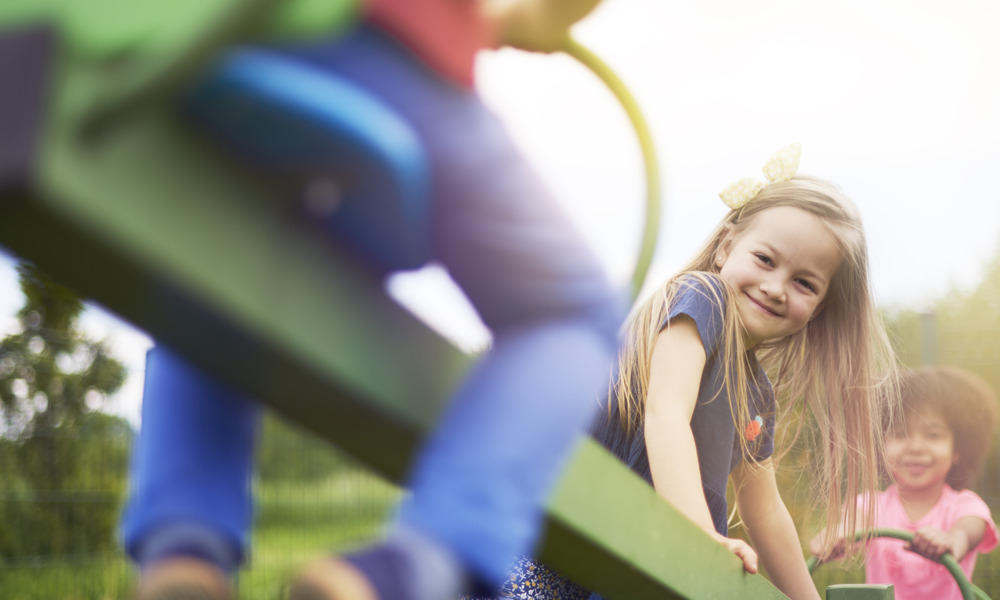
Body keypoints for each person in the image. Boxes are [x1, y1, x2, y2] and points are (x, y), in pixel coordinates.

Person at [120, 2, 627, 600]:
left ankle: (184, 554)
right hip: (377, 43)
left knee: (225, 254)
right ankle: (423, 563)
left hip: (183, 46)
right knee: (575, 311)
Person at [475, 144, 901, 600]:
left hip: (627, 566)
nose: (776, 287)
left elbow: (766, 511)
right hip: (554, 550)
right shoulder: (702, 297)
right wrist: (701, 536)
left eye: (804, 283)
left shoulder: (757, 394)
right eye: (765, 259)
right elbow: (667, 411)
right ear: (725, 248)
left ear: (818, 310)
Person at [810, 366, 999, 600]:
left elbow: (966, 532)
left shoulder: (965, 507)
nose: (915, 446)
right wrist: (836, 537)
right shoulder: (870, 506)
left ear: (958, 449)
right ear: (881, 445)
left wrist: (950, 541)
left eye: (933, 435)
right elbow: (851, 528)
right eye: (900, 434)